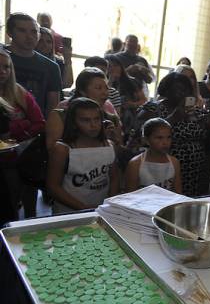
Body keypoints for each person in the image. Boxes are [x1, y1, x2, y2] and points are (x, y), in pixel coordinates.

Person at [136, 73, 208, 197]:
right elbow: (141, 133)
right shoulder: (154, 108)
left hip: (194, 170)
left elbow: (208, 138)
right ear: (166, 89)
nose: (181, 93)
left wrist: (204, 122)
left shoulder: (196, 112)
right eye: (177, 89)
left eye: (185, 89)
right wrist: (173, 118)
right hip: (163, 166)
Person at [46, 98, 119, 213]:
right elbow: (53, 187)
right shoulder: (62, 149)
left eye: (97, 119)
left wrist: (109, 204)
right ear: (73, 122)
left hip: (101, 210)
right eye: (85, 120)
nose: (93, 125)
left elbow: (114, 178)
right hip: (68, 212)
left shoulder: (109, 145)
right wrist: (84, 208)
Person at [0, 49, 46, 219]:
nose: (3, 72)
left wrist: (17, 128)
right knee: (8, 208)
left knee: (29, 208)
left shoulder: (19, 92)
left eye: (7, 67)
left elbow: (40, 123)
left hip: (23, 157)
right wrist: (24, 123)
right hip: (4, 165)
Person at [45, 68, 123, 150]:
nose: (105, 92)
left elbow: (120, 154)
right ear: (82, 91)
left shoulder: (112, 119)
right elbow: (52, 151)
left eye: (106, 88)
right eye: (99, 88)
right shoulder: (60, 117)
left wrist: (115, 141)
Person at [5, 13, 62, 117]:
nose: (29, 36)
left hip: (35, 126)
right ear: (9, 32)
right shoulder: (2, 58)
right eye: (22, 30)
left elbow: (52, 108)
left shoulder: (51, 67)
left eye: (34, 32)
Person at [125, 118, 182, 193]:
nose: (165, 142)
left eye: (168, 137)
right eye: (159, 138)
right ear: (146, 140)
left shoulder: (174, 162)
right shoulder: (135, 164)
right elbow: (129, 196)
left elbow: (178, 192)